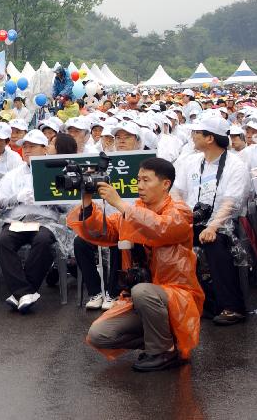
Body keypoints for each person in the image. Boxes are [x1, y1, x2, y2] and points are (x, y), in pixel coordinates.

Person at [67, 158, 203, 372]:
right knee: (99, 335)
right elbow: (101, 232)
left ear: (165, 184)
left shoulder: (180, 211)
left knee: (142, 292)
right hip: (141, 299)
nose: (139, 185)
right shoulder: (135, 209)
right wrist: (86, 200)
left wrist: (120, 204)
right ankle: (162, 341)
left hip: (177, 295)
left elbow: (161, 229)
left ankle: (164, 351)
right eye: (138, 179)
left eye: (146, 180)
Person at [171, 115, 249, 325]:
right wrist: (181, 216)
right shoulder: (191, 162)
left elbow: (231, 203)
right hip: (190, 220)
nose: (192, 136)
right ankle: (181, 301)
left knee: (214, 244)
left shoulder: (235, 165)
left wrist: (213, 226)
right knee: (161, 240)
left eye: (197, 132)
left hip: (223, 225)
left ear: (210, 138)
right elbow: (177, 192)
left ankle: (232, 307)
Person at [0, 130, 67, 313]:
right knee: (3, 241)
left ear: (44, 149)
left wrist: (48, 198)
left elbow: (67, 205)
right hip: (18, 219)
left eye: (32, 146)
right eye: (24, 146)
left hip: (46, 221)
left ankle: (20, 293)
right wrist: (17, 197)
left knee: (43, 241)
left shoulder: (57, 171)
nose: (26, 150)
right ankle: (25, 292)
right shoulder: (13, 175)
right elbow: (1, 202)